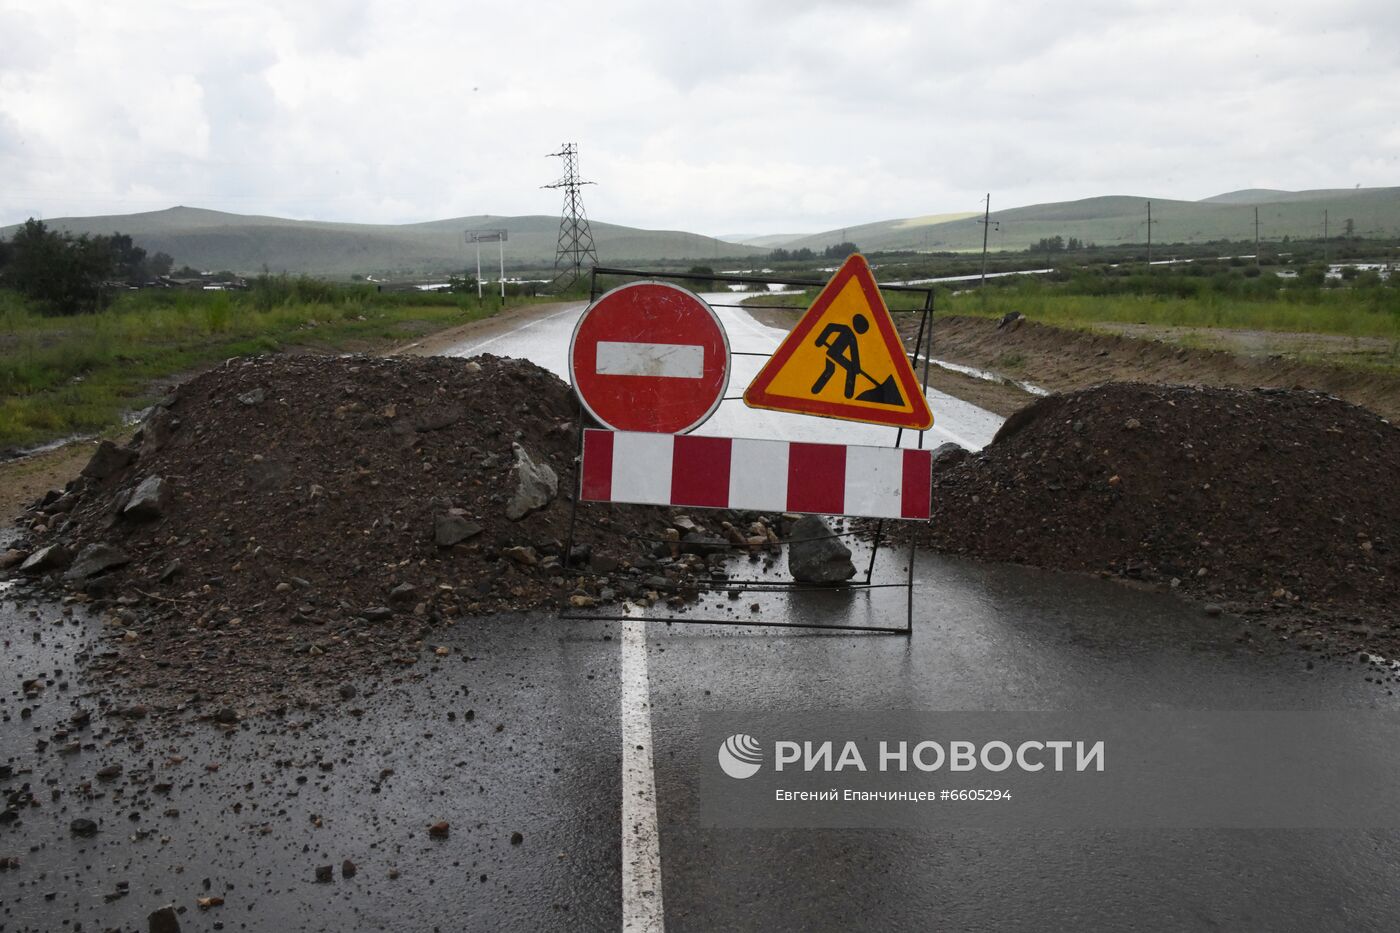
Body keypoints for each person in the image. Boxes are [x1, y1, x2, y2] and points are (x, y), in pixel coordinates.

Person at [811, 314, 869, 398]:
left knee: (829, 370)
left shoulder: (850, 334)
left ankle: (815, 389)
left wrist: (857, 368)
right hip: (834, 354)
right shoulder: (848, 332)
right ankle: (848, 393)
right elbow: (830, 327)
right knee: (850, 369)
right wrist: (820, 340)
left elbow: (854, 353)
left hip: (832, 353)